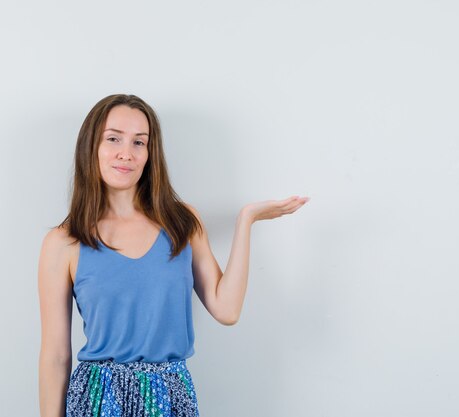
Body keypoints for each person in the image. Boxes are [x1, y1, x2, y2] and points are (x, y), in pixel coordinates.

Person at [37, 93, 309, 417]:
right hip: (97, 399)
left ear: (151, 153)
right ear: (91, 146)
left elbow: (227, 309)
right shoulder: (64, 241)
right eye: (113, 139)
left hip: (169, 395)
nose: (126, 153)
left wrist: (246, 220)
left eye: (140, 142)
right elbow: (55, 355)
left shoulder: (181, 222)